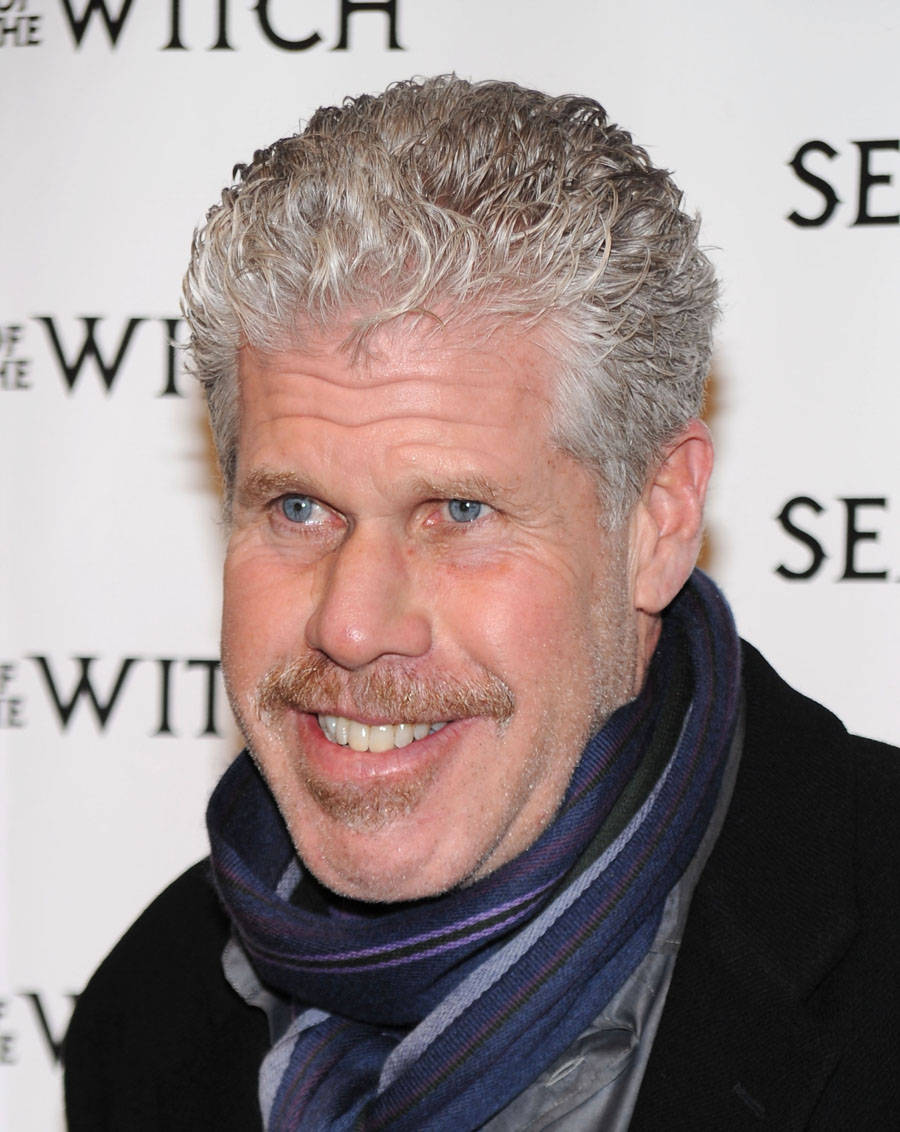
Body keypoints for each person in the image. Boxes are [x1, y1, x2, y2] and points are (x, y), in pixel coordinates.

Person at [64, 76, 900, 1130]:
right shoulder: (153, 1014)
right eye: (299, 505)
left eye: (458, 510)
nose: (352, 624)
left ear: (656, 520)